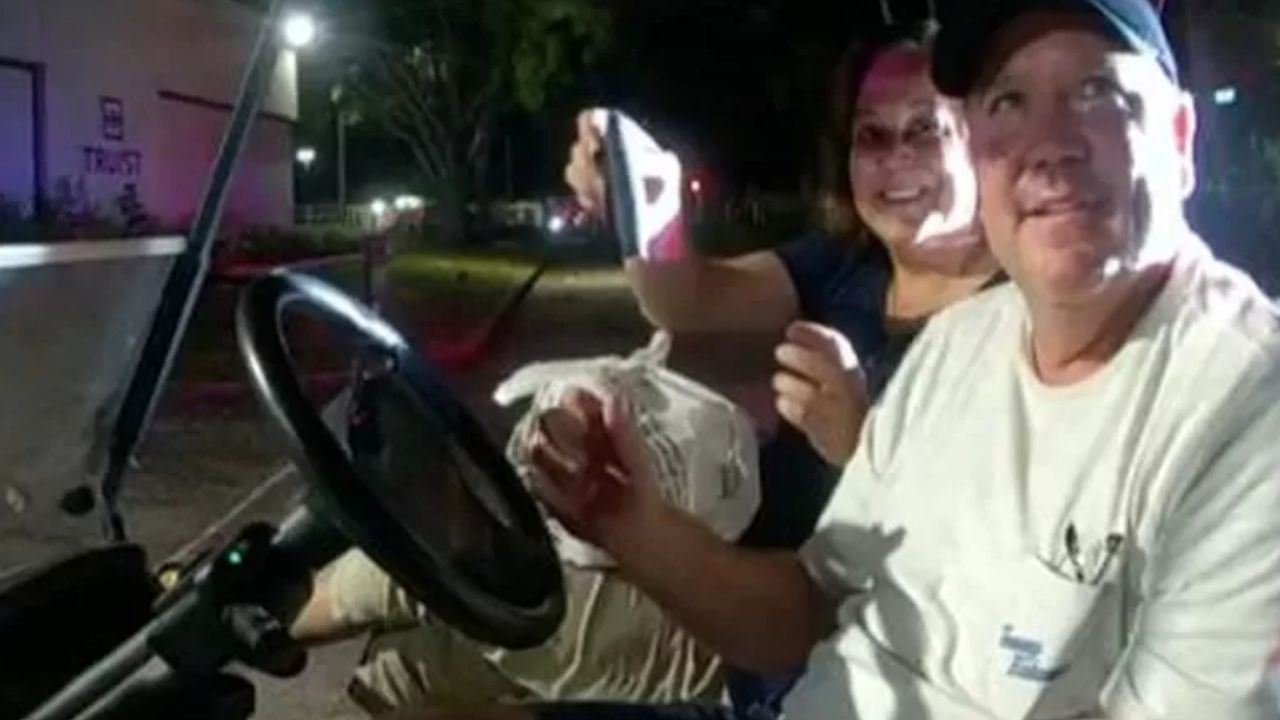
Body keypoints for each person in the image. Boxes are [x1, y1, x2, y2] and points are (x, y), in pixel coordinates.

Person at [527, 1, 1280, 718]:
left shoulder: (1244, 413)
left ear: (1181, 140)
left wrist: (858, 437)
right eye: (1007, 102)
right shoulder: (956, 340)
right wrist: (622, 516)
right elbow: (808, 607)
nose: (1048, 143)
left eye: (1097, 91)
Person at [566, 19, 1001, 552]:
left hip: (853, 620)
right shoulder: (845, 263)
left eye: (925, 129)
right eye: (871, 134)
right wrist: (643, 200)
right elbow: (687, 300)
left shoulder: (1022, 309)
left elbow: (997, 541)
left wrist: (860, 444)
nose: (895, 157)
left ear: (982, 141)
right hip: (754, 572)